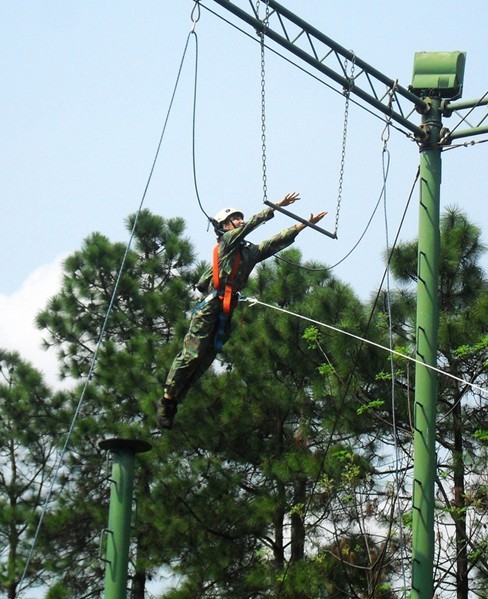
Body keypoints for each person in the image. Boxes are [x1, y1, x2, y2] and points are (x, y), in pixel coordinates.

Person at [157, 192, 327, 429]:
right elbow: (249, 228)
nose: (241, 221)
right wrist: (276, 206)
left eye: (240, 218)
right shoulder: (226, 243)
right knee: (192, 354)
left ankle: (175, 400)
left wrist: (303, 225)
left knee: (206, 357)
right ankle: (167, 400)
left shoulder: (248, 253)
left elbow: (274, 242)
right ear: (225, 227)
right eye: (236, 219)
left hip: (226, 308)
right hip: (210, 305)